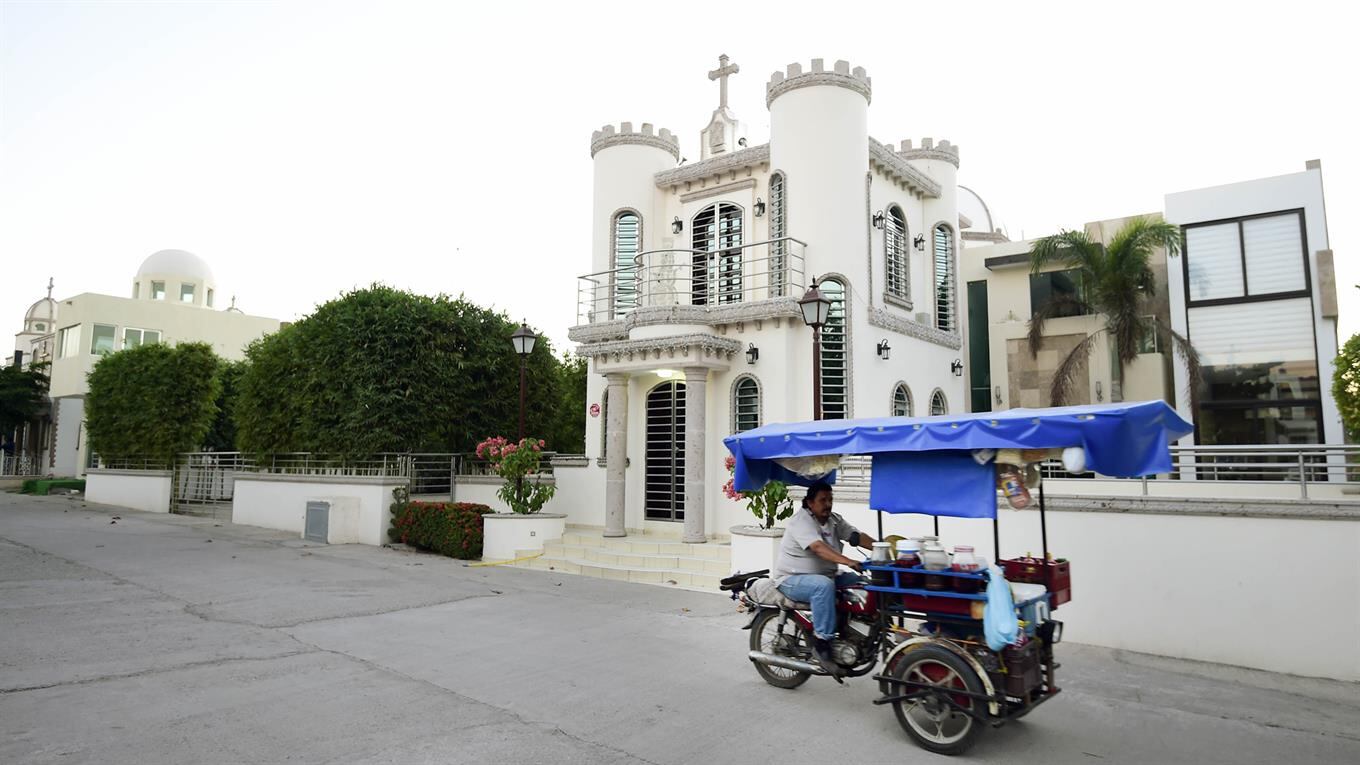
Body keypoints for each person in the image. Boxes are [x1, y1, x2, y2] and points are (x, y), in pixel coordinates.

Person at [772, 480, 876, 674]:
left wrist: (883, 549)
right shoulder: (801, 522)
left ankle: (847, 631)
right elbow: (818, 547)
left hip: (826, 574)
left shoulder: (834, 520)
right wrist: (847, 561)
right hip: (791, 579)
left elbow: (856, 535)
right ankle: (822, 644)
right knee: (824, 586)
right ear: (810, 503)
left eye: (830, 499)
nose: (828, 504)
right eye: (822, 500)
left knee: (864, 585)